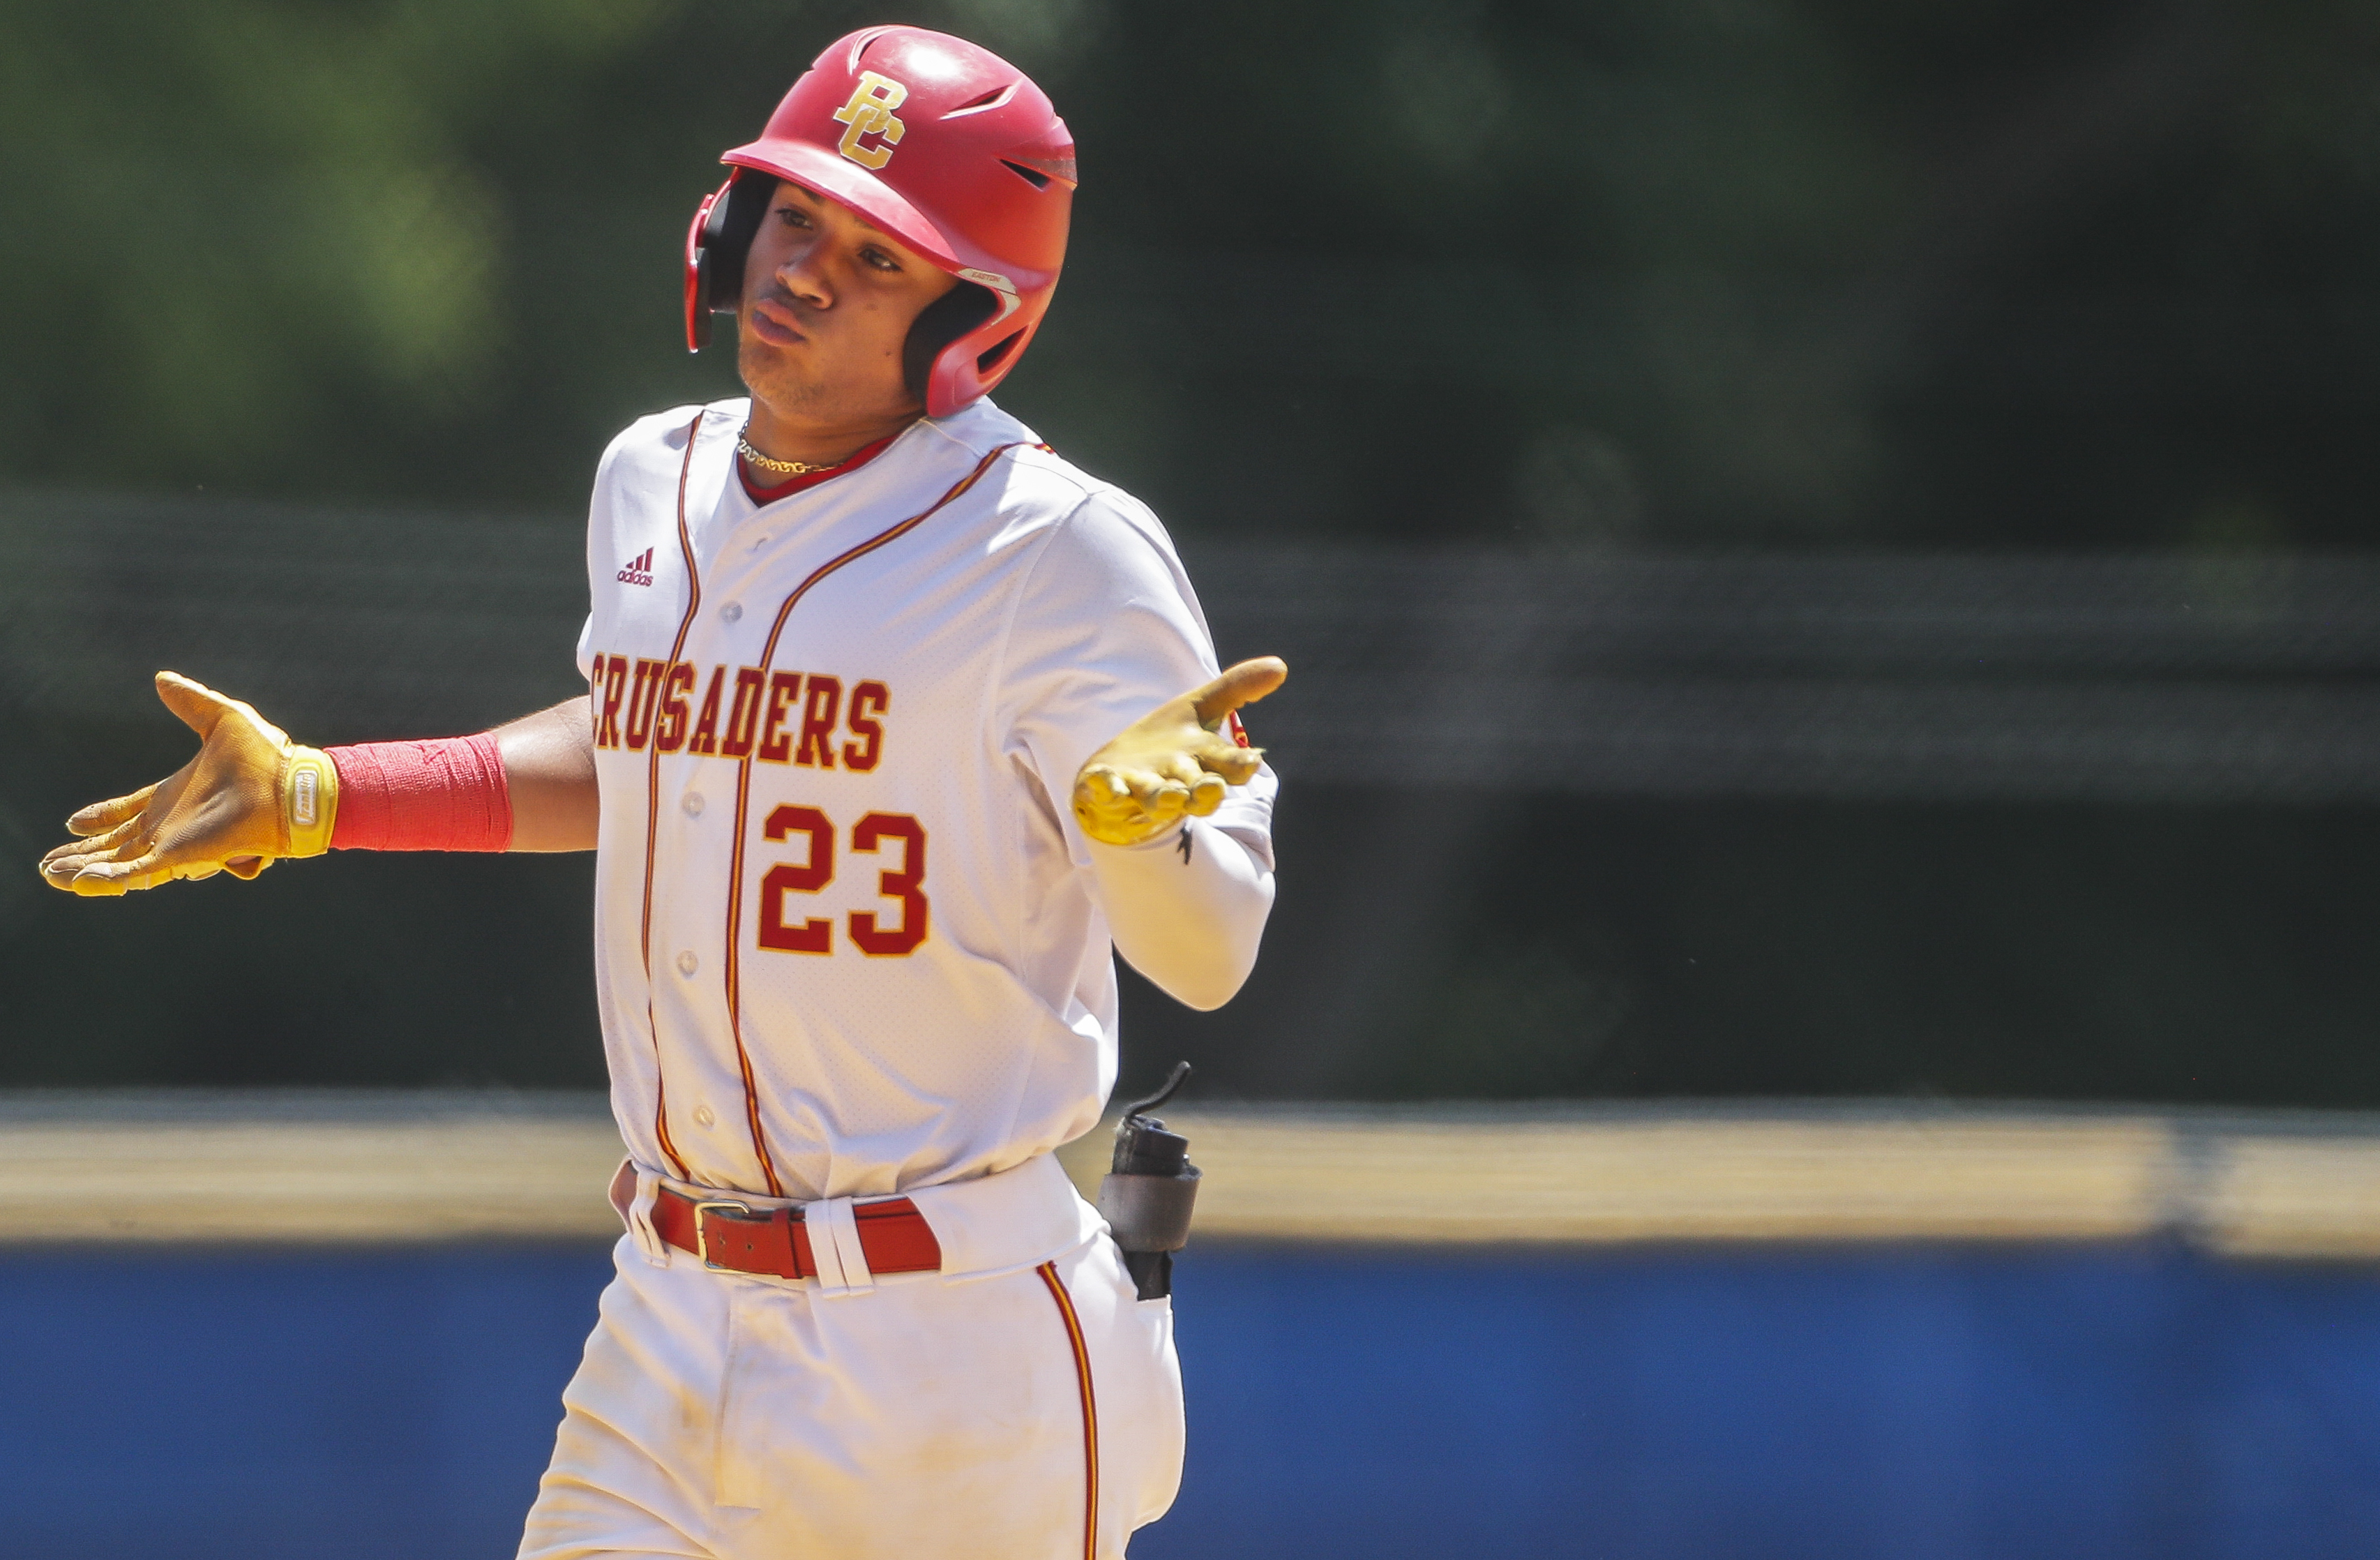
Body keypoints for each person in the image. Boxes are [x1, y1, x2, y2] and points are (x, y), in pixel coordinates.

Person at [38, 25, 1283, 1559]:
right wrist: (323, 792)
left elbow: (1210, 949)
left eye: (879, 257)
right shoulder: (651, 476)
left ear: (976, 322)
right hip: (672, 1300)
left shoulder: (1060, 552)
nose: (806, 270)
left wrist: (1137, 828)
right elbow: (654, 744)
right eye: (794, 213)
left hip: (955, 1346)